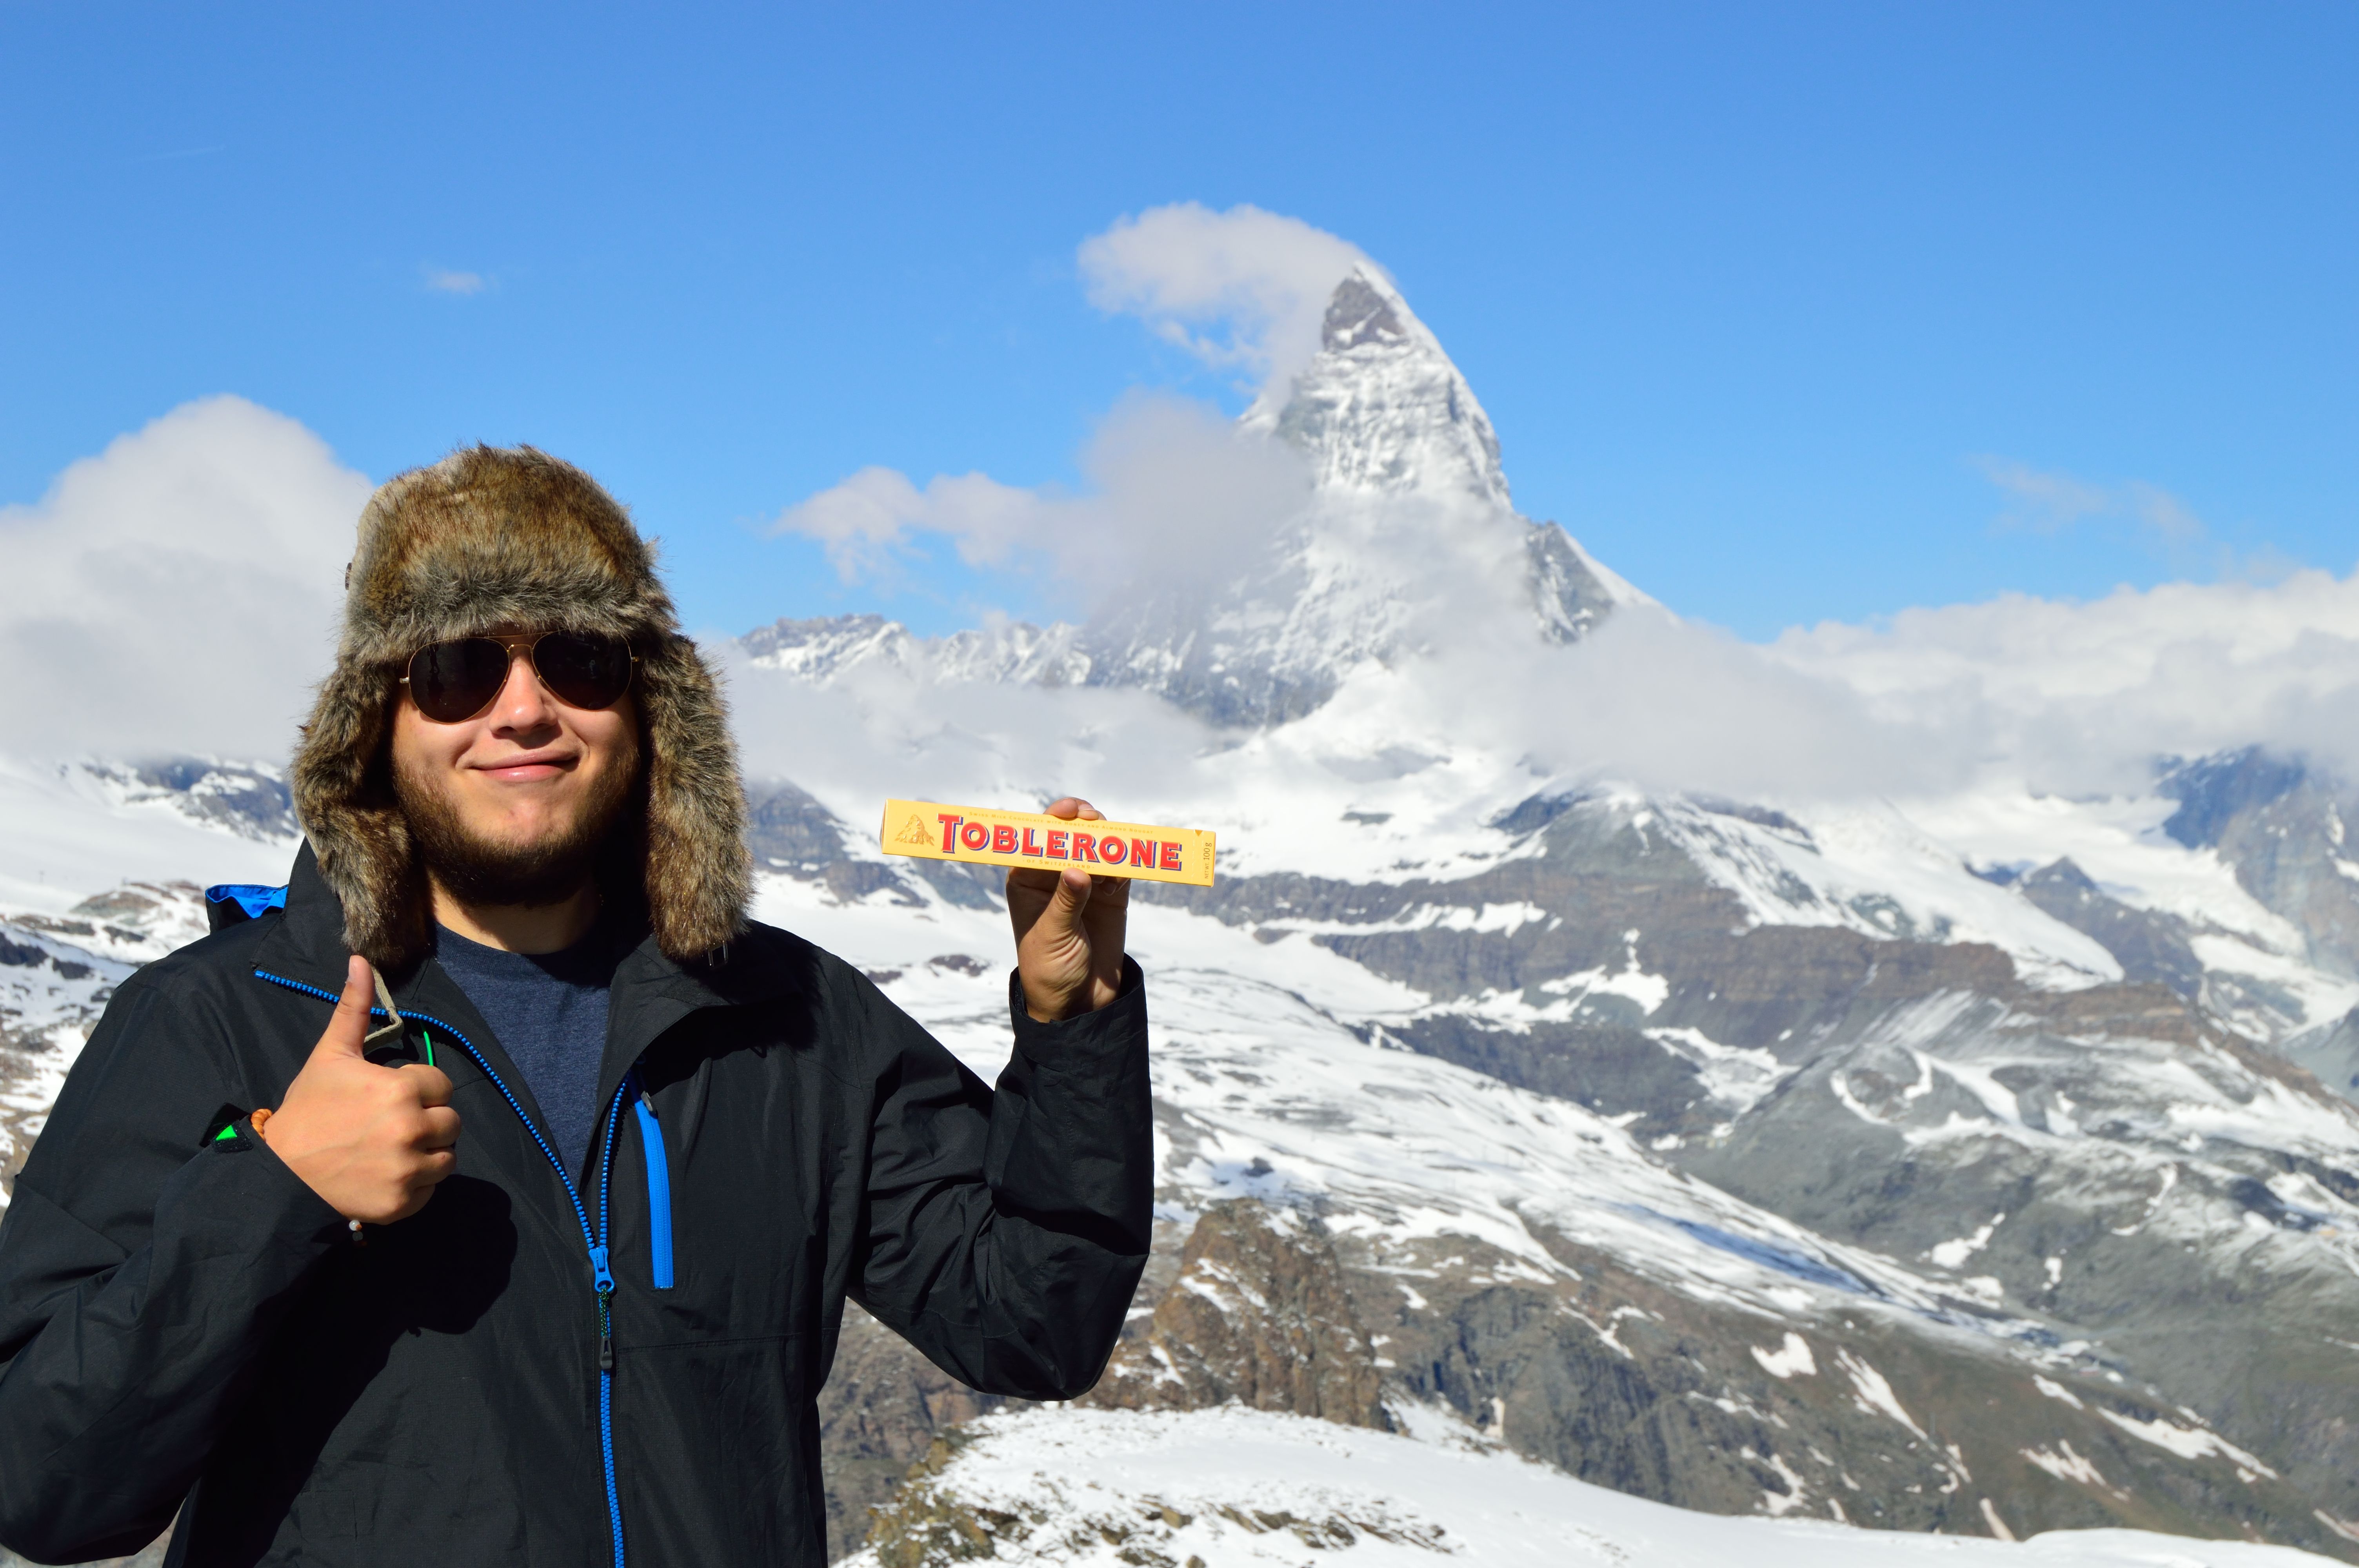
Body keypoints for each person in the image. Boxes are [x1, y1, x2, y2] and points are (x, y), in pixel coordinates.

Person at [0, 446, 1152, 1566]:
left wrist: (1077, 1020)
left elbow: (1031, 1322)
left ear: (651, 712)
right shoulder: (219, 1023)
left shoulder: (788, 1016)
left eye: (580, 661)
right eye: (457, 668)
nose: (523, 710)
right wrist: (275, 1191)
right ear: (378, 724)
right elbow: (42, 1485)